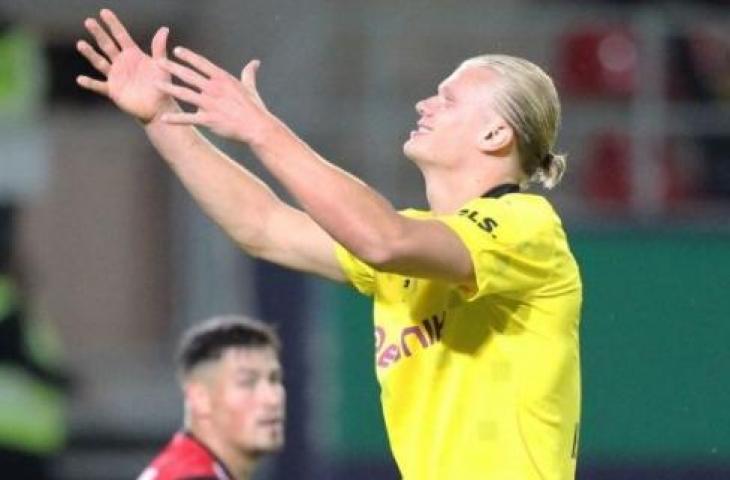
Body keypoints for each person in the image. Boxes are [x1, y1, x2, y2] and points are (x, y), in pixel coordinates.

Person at [77, 9, 582, 479]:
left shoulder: (525, 227)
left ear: (496, 133)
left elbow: (381, 238)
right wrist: (161, 117)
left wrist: (262, 130)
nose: (424, 104)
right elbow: (264, 226)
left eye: (448, 99)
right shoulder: (411, 245)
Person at [137, 315, 285, 480]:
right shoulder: (192, 476)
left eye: (274, 379)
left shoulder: (179, 466)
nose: (273, 399)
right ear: (200, 398)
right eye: (247, 383)